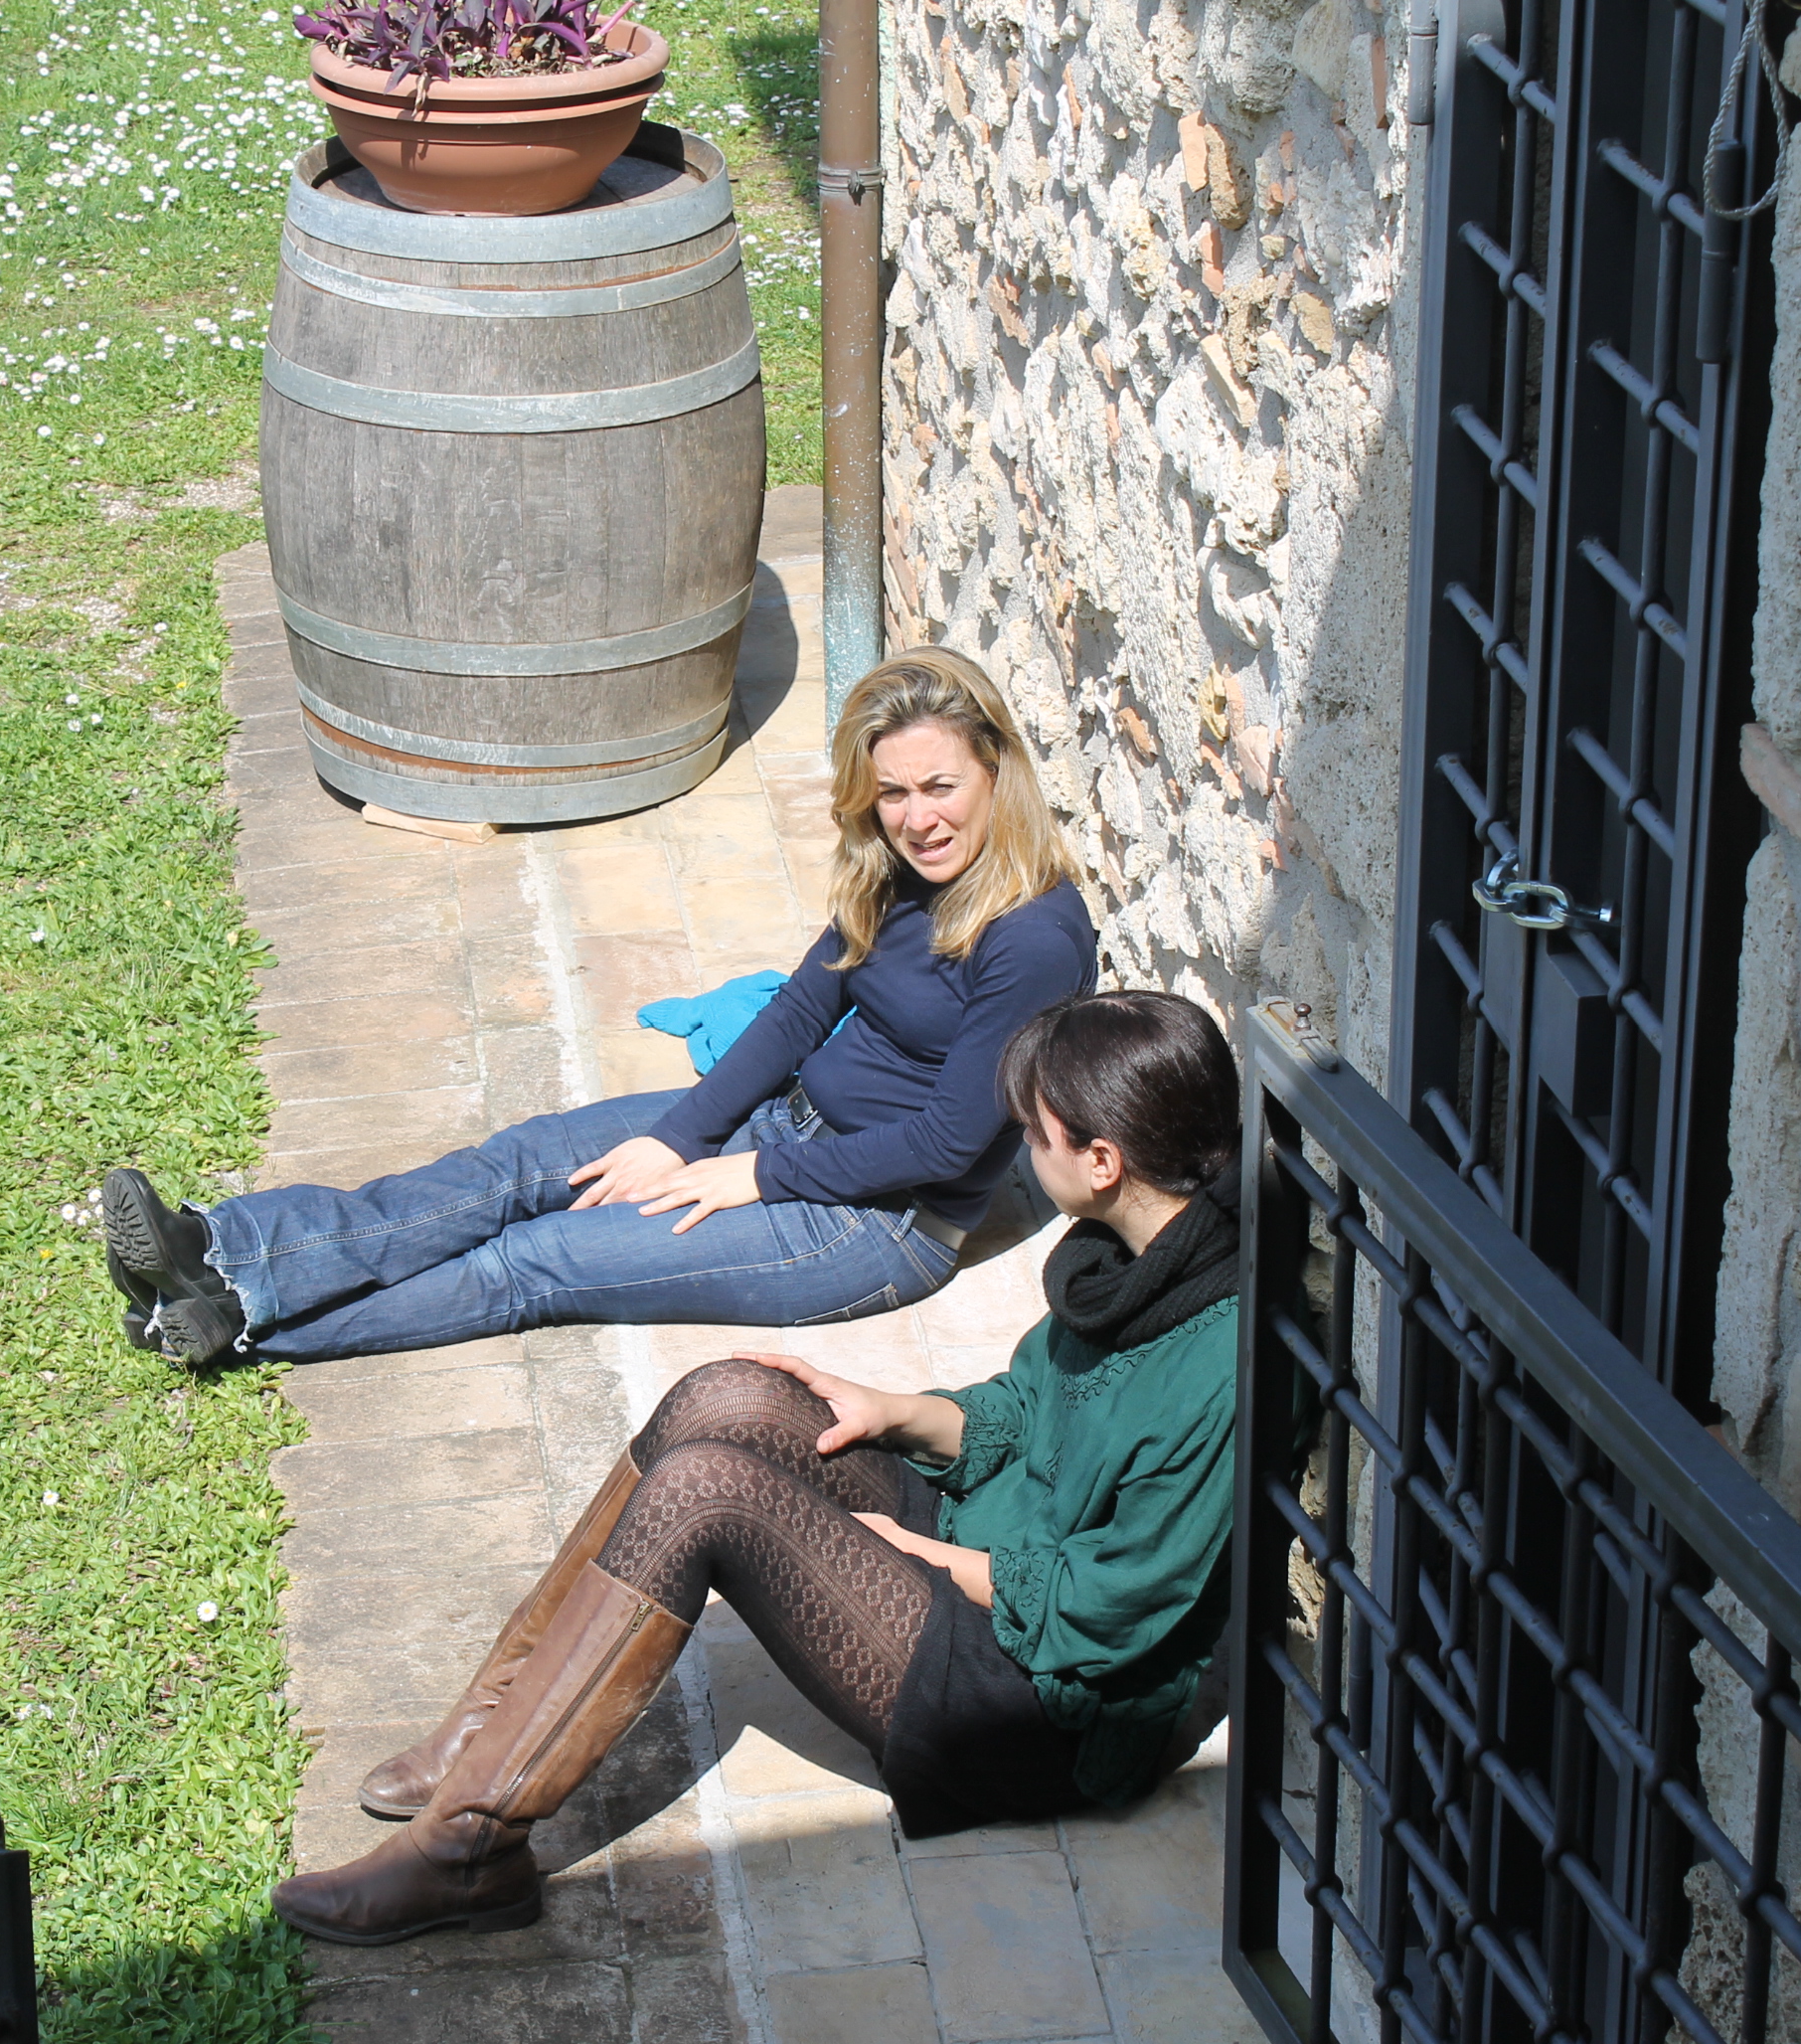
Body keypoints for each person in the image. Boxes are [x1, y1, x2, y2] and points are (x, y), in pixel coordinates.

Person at [266, 989, 1242, 1944]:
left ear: (1103, 1161)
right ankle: (491, 1727)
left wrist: (927, 1558)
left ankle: (469, 1850)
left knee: (706, 1494)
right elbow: (1029, 1406)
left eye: (1036, 1132)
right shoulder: (1126, 1258)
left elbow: (1114, 1607)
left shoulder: (1220, 1364)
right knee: (728, 1395)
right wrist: (892, 1409)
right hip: (987, 1536)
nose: (1023, 1147)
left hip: (1044, 1698)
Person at [104, 646, 1097, 1366]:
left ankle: (240, 1323)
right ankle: (221, 1248)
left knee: (533, 1262)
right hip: (783, 1128)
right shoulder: (895, 869)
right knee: (517, 1165)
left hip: (873, 1224)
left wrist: (756, 1176)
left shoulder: (1033, 941)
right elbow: (799, 1014)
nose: (917, 818)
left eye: (939, 787)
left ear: (996, 771)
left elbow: (945, 1144)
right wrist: (682, 1136)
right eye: (891, 793)